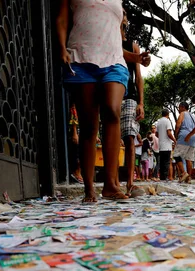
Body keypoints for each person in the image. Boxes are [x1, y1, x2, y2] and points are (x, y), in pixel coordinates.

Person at [56, 0, 149, 202]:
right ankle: (89, 188)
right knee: (89, 125)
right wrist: (62, 48)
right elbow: (62, 20)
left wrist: (137, 58)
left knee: (112, 110)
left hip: (114, 63)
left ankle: (110, 184)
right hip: (81, 59)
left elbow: (113, 42)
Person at [120, 9, 145, 197]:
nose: (122, 17)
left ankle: (129, 182)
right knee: (111, 138)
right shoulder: (106, 40)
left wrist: (141, 102)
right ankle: (112, 181)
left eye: (124, 14)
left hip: (129, 95)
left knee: (129, 137)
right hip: (108, 91)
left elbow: (138, 76)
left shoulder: (132, 45)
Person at [174, 102, 195, 184]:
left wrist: (176, 135)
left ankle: (184, 173)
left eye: (179, 107)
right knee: (189, 158)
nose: (178, 109)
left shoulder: (182, 114)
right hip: (193, 136)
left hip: (184, 135)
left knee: (176, 155)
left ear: (183, 107)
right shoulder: (194, 116)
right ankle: (188, 178)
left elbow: (178, 125)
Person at [156, 109, 176, 181]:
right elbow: (169, 133)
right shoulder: (167, 121)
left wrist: (162, 137)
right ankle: (165, 178)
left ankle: (162, 177)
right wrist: (174, 140)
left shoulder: (158, 122)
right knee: (167, 162)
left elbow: (156, 134)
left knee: (162, 162)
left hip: (161, 145)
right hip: (167, 145)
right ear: (168, 114)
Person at [68, 103, 83, 184]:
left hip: (84, 131)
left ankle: (79, 173)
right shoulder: (76, 106)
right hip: (78, 131)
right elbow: (74, 116)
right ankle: (76, 172)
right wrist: (74, 132)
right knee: (78, 153)